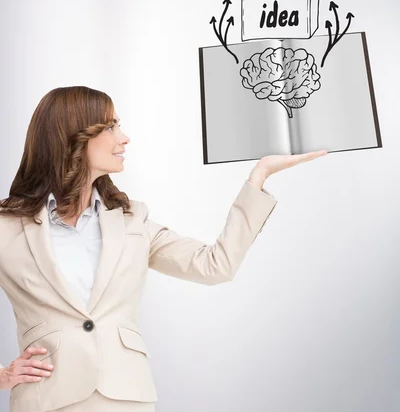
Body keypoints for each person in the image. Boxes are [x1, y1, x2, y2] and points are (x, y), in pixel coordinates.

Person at [0, 86, 327, 411]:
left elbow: (215, 265)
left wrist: (259, 176)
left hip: (126, 399)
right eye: (111, 127)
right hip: (45, 400)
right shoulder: (8, 226)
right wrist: (2, 376)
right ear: (74, 137)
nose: (124, 138)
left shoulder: (132, 220)